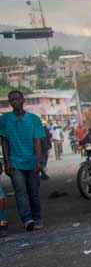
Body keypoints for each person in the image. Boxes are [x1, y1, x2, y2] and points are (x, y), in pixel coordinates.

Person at [0, 90, 45, 230]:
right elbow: (4, 142)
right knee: (20, 192)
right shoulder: (4, 120)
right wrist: (7, 162)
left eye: (17, 99)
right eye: (12, 100)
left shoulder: (34, 119)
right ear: (10, 102)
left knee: (34, 192)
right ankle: (27, 219)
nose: (15, 102)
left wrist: (38, 161)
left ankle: (37, 218)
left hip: (31, 161)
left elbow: (37, 141)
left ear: (23, 100)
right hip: (15, 162)